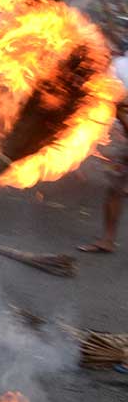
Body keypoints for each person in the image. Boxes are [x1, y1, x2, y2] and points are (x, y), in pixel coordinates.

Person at [78, 41, 128, 253]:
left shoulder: (118, 65)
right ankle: (107, 240)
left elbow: (113, 101)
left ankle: (108, 240)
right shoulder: (119, 65)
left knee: (115, 190)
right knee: (115, 188)